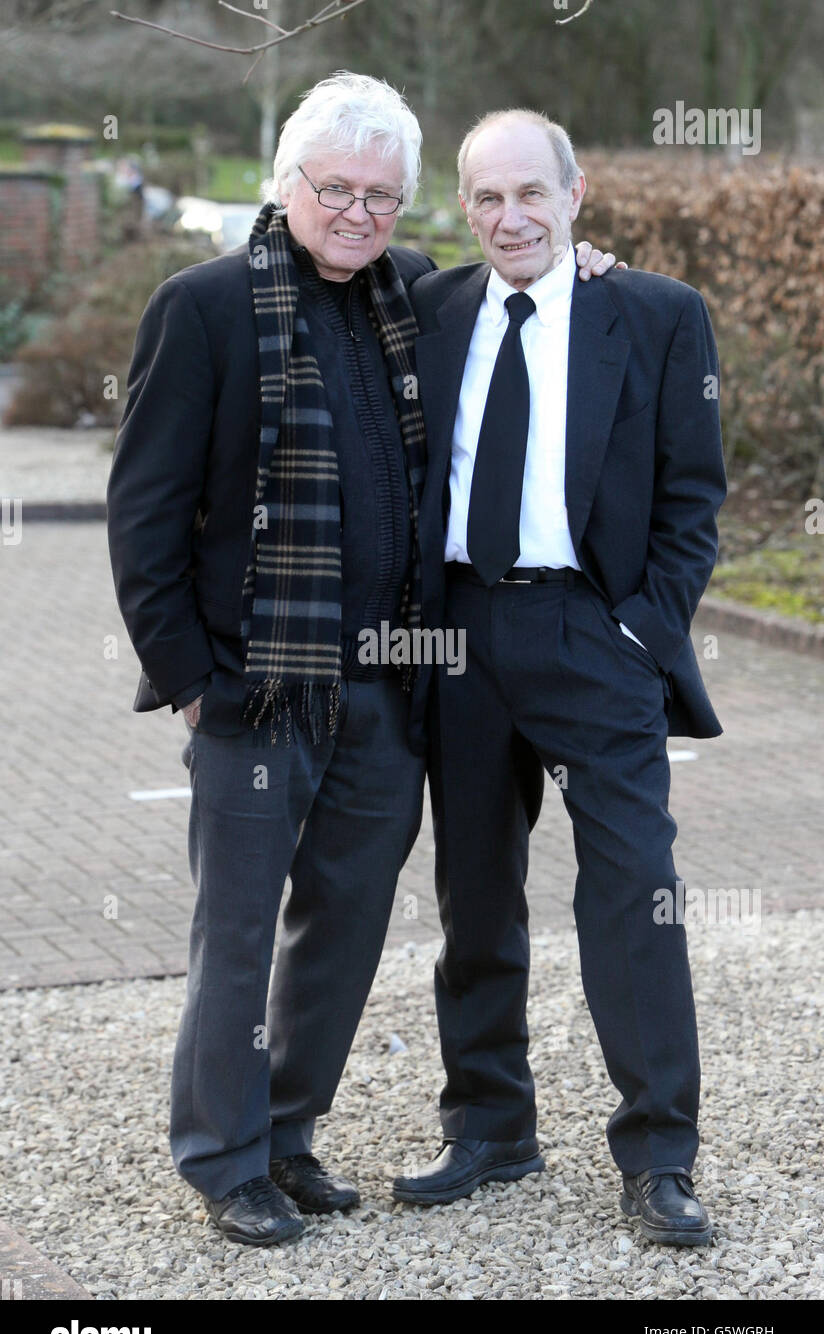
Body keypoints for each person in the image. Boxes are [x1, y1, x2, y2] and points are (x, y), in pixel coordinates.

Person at [107, 75, 616, 1248]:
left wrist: (590, 266)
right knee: (235, 935)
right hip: (252, 690)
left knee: (338, 928)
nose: (354, 211)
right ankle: (224, 1160)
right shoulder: (206, 306)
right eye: (332, 188)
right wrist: (189, 675)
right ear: (286, 182)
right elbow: (143, 513)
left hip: (386, 689)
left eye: (378, 194)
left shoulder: (413, 296)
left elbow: (530, 276)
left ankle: (287, 1133)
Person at [393, 110, 726, 1248]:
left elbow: (693, 499)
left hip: (595, 635)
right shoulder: (427, 307)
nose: (508, 218)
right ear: (462, 206)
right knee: (472, 892)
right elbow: (311, 243)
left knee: (633, 892)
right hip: (461, 638)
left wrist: (643, 632)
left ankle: (658, 1154)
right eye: (484, 198)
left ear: (575, 197)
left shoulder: (654, 314)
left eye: (529, 193)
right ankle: (490, 1125)